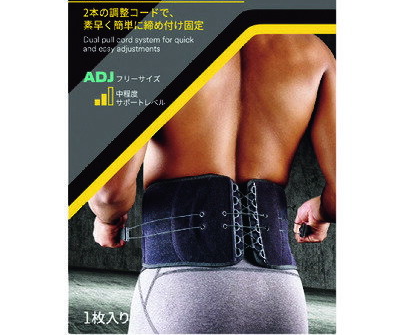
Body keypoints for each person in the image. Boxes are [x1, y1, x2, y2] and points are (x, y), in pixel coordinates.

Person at [89, 34, 336, 334]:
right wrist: (321, 212)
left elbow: (110, 192)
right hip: (280, 297)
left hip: (182, 292)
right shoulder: (314, 52)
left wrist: (107, 220)